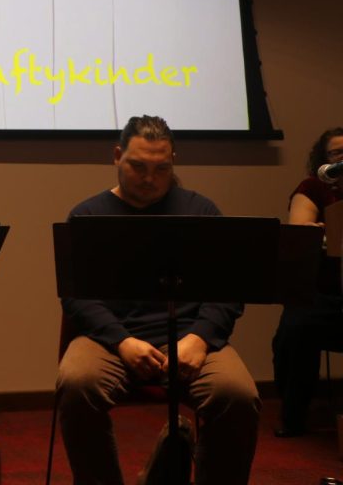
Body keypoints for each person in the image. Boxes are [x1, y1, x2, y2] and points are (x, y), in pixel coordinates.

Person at [57, 115, 260, 485]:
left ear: (173, 162)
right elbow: (77, 297)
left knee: (237, 394)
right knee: (78, 383)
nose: (150, 178)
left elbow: (228, 291)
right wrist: (122, 341)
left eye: (161, 168)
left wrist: (199, 339)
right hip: (113, 340)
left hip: (191, 339)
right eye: (138, 166)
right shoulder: (87, 216)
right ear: (117, 156)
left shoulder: (201, 212)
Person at [271, 126, 343, 436]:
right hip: (322, 295)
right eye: (336, 153)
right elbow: (302, 232)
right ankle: (293, 416)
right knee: (296, 327)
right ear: (323, 160)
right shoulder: (313, 187)